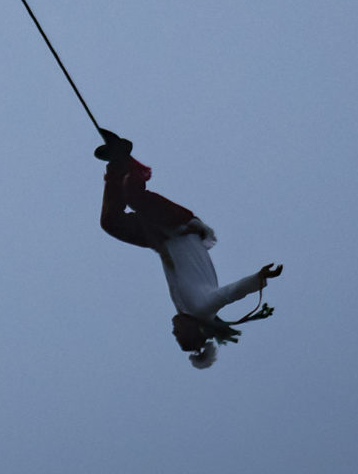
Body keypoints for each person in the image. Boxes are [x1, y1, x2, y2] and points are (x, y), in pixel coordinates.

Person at [95, 132, 282, 368]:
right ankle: (124, 159)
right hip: (179, 227)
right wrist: (259, 278)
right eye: (178, 335)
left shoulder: (189, 309)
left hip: (162, 237)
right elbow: (230, 293)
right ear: (194, 331)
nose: (173, 331)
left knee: (111, 222)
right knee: (134, 197)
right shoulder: (200, 307)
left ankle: (117, 161)